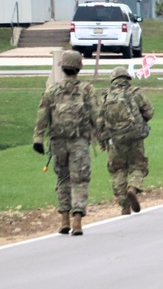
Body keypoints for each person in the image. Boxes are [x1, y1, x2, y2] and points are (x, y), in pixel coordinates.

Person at [33, 50, 99, 235]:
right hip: (79, 141)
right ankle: (77, 220)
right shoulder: (87, 90)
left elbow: (42, 114)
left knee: (62, 178)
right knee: (80, 179)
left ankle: (64, 219)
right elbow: (97, 115)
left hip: (58, 142)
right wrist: (103, 137)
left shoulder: (52, 90)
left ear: (62, 67)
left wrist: (38, 138)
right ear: (79, 68)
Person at [97, 66, 153, 215]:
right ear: (127, 79)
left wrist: (102, 141)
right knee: (138, 166)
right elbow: (149, 112)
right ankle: (133, 187)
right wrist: (141, 121)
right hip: (135, 137)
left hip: (115, 140)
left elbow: (99, 122)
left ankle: (124, 205)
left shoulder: (106, 97)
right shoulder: (135, 93)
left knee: (118, 170)